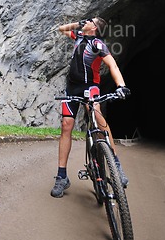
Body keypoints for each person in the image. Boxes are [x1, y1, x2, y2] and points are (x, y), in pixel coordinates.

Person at [51, 17, 130, 198]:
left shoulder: (98, 44)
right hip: (72, 88)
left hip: (89, 87)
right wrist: (78, 24)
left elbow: (112, 65)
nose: (86, 21)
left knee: (97, 115)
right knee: (66, 125)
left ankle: (116, 165)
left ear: (94, 28)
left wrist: (121, 86)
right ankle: (62, 176)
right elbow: (61, 28)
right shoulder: (78, 36)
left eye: (90, 20)